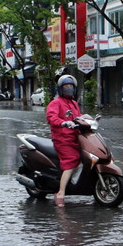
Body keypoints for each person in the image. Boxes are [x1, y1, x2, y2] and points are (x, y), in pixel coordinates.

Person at [45, 74, 82, 207]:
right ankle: (60, 193)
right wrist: (63, 123)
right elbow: (51, 118)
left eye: (71, 86)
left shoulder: (74, 103)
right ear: (60, 89)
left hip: (76, 137)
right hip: (62, 138)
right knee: (72, 159)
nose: (69, 89)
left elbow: (79, 118)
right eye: (66, 86)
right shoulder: (55, 103)